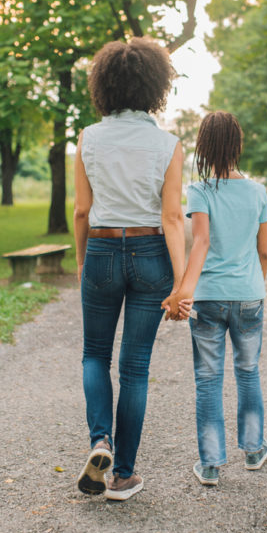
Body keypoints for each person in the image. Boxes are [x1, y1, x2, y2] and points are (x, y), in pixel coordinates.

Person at [73, 38, 186, 501]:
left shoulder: (88, 138)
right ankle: (122, 475)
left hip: (101, 250)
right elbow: (173, 218)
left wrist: (83, 261)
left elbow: (82, 210)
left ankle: (99, 440)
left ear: (104, 86)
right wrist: (180, 283)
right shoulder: (168, 144)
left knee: (94, 355)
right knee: (135, 368)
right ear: (155, 85)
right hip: (151, 253)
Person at [162, 111, 267, 487]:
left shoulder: (201, 190)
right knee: (248, 371)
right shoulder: (258, 192)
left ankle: (210, 464)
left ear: (204, 148)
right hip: (249, 298)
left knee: (208, 379)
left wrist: (184, 292)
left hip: (208, 300)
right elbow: (265, 253)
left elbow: (202, 243)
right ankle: (254, 450)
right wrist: (254, 286)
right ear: (238, 146)